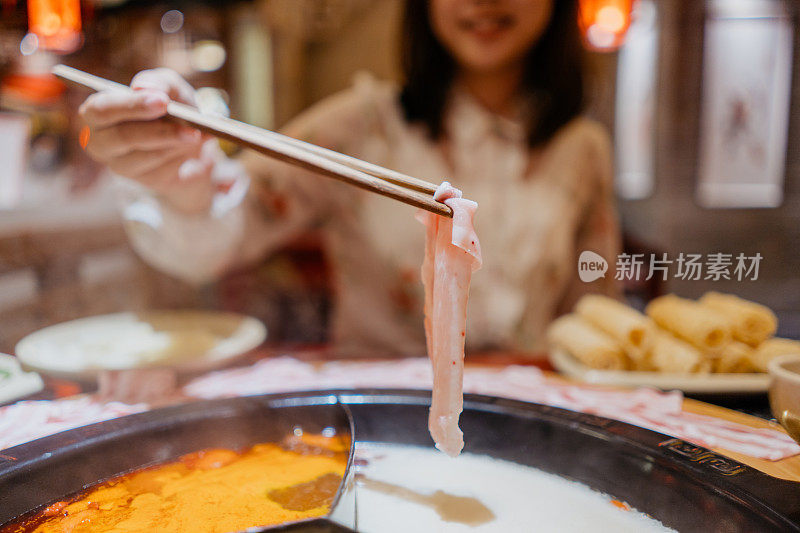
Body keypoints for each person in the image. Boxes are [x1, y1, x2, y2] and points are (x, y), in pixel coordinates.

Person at [79, 0, 620, 357]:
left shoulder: (583, 148)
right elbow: (229, 227)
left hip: (532, 424)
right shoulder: (360, 125)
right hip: (376, 421)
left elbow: (597, 316)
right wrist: (185, 183)